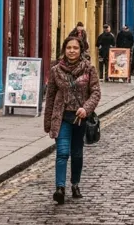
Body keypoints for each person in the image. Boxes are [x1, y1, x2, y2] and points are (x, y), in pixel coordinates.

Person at [43, 35, 101, 204]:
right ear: (64, 49)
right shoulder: (56, 70)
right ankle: (59, 188)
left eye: (75, 48)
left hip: (80, 118)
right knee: (62, 153)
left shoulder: (89, 68)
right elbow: (51, 96)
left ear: (81, 50)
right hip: (62, 117)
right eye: (69, 48)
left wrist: (87, 108)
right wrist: (48, 122)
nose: (72, 51)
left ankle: (75, 184)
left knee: (76, 154)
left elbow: (96, 92)